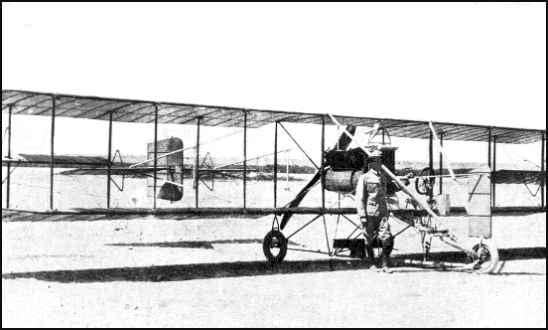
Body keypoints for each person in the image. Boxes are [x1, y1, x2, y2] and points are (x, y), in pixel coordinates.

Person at [355, 149, 394, 273]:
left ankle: (385, 264)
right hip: (370, 213)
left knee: (387, 238)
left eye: (380, 160)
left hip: (383, 213)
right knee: (368, 239)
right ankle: (371, 264)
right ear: (371, 162)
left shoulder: (382, 177)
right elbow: (360, 198)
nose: (379, 162)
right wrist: (362, 215)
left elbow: (388, 191)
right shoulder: (364, 178)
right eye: (376, 160)